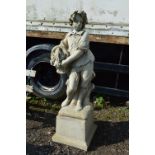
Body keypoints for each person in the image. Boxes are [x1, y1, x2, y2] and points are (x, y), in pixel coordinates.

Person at [51, 10, 95, 111]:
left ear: (83, 23)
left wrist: (66, 62)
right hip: (74, 66)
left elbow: (80, 51)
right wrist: (58, 51)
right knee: (71, 87)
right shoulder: (69, 35)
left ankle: (79, 101)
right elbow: (62, 45)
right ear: (72, 22)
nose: (78, 24)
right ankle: (69, 98)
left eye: (81, 22)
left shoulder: (85, 34)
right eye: (76, 21)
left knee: (84, 84)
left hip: (86, 63)